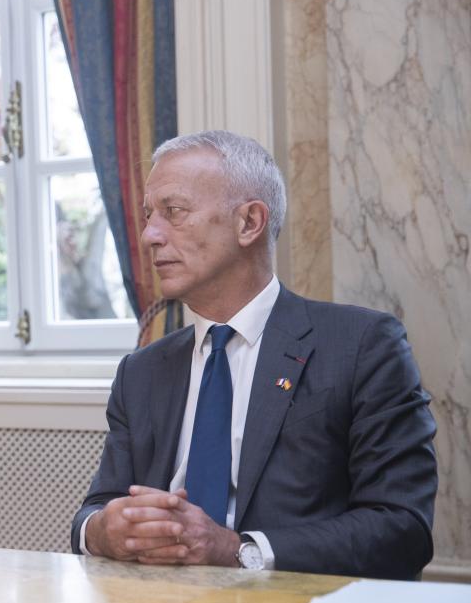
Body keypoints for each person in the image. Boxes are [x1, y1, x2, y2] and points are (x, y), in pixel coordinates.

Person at [72, 130, 437, 580]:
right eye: (149, 216)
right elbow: (96, 509)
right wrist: (101, 532)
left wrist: (237, 550)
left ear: (249, 223)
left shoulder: (362, 346)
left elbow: (402, 528)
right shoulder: (142, 371)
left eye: (174, 212)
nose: (149, 235)